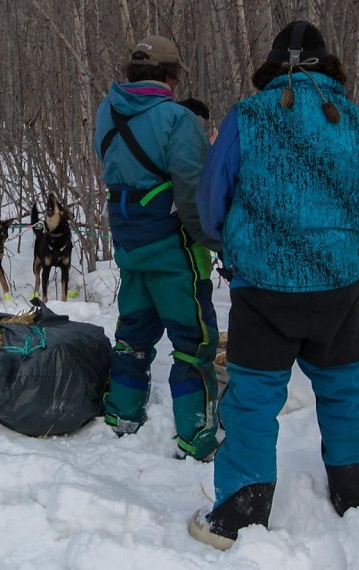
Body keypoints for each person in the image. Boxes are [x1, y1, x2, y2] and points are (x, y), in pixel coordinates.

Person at [190, 21, 359, 549]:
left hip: (263, 288)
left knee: (252, 399)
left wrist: (230, 241)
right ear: (331, 68)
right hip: (336, 286)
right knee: (343, 388)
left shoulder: (246, 118)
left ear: (274, 69)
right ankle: (355, 486)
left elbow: (211, 201)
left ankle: (239, 512)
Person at [93, 34, 222, 462]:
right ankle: (197, 435)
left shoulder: (106, 111)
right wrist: (212, 239)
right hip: (173, 246)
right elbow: (192, 189)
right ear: (170, 75)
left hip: (129, 239)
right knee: (194, 341)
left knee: (133, 332)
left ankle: (123, 414)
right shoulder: (178, 120)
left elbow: (113, 160)